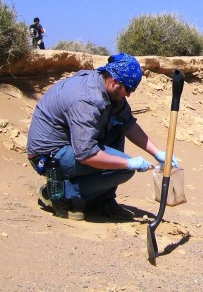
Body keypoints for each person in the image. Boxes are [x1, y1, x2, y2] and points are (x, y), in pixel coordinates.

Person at [26, 53, 178, 221]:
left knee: (117, 128)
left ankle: (102, 201)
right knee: (123, 171)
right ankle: (59, 192)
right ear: (114, 81)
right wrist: (128, 163)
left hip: (72, 144)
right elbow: (86, 154)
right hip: (49, 156)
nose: (128, 95)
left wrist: (157, 153)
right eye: (127, 89)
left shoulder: (108, 89)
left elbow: (127, 124)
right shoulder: (87, 100)